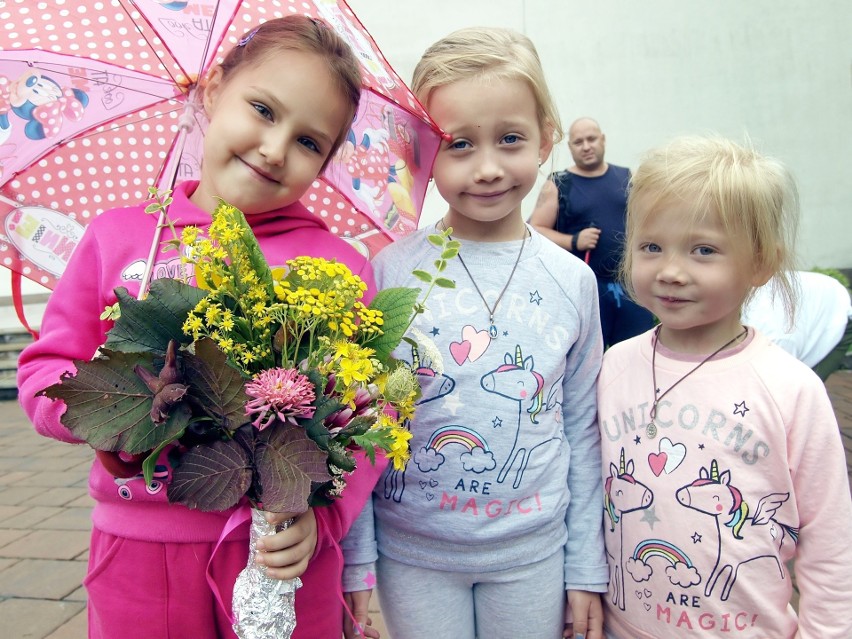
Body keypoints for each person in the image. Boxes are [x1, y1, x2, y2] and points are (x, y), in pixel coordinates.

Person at [16, 16, 385, 639]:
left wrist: (326, 521)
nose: (275, 147)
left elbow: (374, 413)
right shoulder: (121, 236)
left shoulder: (337, 267)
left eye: (309, 142)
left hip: (280, 551)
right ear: (213, 89)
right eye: (263, 109)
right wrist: (113, 411)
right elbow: (43, 373)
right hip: (139, 549)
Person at [344, 27, 608, 639]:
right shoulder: (388, 272)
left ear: (546, 137)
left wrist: (585, 565)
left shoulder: (573, 281)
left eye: (509, 138)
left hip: (533, 555)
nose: (487, 168)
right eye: (459, 144)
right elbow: (358, 420)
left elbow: (579, 426)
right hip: (413, 554)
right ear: (422, 155)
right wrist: (357, 557)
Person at [597, 135, 852, 638]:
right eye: (652, 246)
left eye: (703, 250)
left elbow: (830, 543)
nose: (671, 270)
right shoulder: (614, 366)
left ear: (761, 263)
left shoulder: (789, 387)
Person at [529, 117, 656, 347]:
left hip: (631, 286)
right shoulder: (559, 183)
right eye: (578, 142)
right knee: (591, 359)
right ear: (570, 147)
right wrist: (573, 240)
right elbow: (534, 229)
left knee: (639, 351)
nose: (586, 146)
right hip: (587, 288)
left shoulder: (628, 178)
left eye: (591, 139)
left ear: (603, 140)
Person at [742, 270, 852, 380]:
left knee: (806, 384)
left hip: (836, 313)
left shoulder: (776, 337)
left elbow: (778, 381)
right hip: (804, 305)